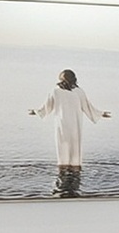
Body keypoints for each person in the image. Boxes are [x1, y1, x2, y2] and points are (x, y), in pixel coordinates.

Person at [29, 68, 110, 197]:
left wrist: (36, 112)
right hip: (75, 125)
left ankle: (63, 172)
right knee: (75, 148)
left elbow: (46, 107)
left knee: (63, 147)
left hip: (61, 125)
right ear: (74, 79)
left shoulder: (56, 91)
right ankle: (75, 172)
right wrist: (101, 114)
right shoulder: (78, 91)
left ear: (61, 79)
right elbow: (88, 107)